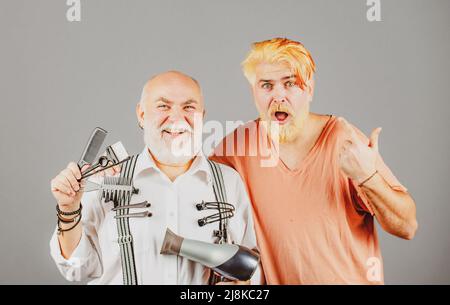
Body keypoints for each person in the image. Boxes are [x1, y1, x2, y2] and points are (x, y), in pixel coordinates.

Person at [211, 38, 418, 284]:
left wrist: (368, 177)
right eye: (266, 85)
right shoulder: (236, 148)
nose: (278, 96)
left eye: (290, 83)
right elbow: (200, 211)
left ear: (309, 89)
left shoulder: (344, 139)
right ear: (254, 91)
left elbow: (407, 227)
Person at [49, 71, 261, 285]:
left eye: (189, 107)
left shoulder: (229, 183)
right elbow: (76, 270)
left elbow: (252, 269)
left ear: (202, 116)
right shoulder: (105, 180)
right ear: (141, 114)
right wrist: (68, 209)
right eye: (163, 106)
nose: (177, 118)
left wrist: (243, 286)